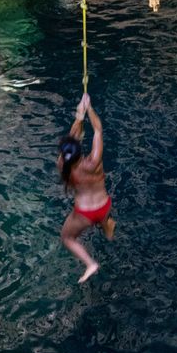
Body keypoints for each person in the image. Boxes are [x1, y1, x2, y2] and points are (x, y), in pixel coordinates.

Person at [58, 93, 115, 283]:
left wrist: (78, 117)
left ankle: (90, 264)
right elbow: (98, 130)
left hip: (84, 214)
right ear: (79, 152)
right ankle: (108, 231)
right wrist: (88, 109)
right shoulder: (94, 162)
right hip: (104, 205)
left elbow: (71, 139)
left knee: (67, 238)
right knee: (104, 219)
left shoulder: (63, 167)